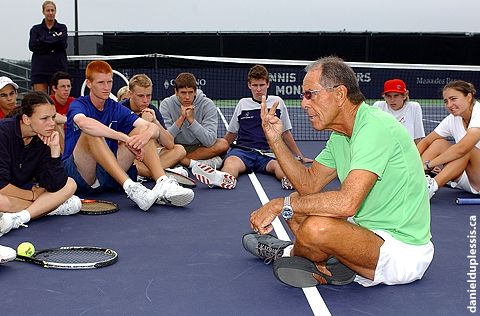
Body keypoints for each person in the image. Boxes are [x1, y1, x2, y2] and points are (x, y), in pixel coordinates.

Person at [242, 56, 433, 288]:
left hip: (401, 251)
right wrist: (275, 140)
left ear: (340, 94)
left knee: (316, 227)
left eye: (310, 94)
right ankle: (330, 261)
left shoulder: (375, 127)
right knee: (298, 204)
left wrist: (278, 205)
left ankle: (291, 253)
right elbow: (308, 185)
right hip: (364, 230)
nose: (303, 103)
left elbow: (347, 203)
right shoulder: (341, 136)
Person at [63, 61, 194, 211]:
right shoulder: (79, 104)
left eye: (109, 82)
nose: (106, 87)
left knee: (143, 132)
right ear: (89, 83)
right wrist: (123, 137)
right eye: (101, 82)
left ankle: (162, 182)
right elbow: (85, 124)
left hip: (108, 173)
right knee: (91, 134)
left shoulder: (115, 107)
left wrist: (145, 135)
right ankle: (132, 188)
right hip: (80, 174)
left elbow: (151, 128)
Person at [191, 64, 309, 190]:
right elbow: (231, 134)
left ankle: (289, 180)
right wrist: (221, 155)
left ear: (268, 84)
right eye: (255, 85)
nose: (258, 89)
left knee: (281, 166)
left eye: (261, 85)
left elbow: (285, 133)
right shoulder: (242, 104)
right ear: (249, 85)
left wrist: (299, 155)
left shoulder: (278, 102)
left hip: (269, 153)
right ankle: (224, 178)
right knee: (231, 163)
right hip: (243, 152)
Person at [0, 92, 81, 237]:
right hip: (9, 191)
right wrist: (32, 195)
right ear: (26, 119)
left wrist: (55, 152)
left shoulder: (44, 137)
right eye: (45, 118)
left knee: (70, 184)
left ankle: (19, 218)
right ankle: (52, 208)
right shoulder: (3, 133)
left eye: (53, 117)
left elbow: (54, 185)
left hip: (19, 193)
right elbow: (1, 184)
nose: (52, 123)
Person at [417, 80, 480, 199]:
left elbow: (462, 148)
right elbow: (426, 141)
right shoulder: (452, 119)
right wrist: (412, 164)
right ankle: (413, 180)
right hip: (466, 177)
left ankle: (430, 188)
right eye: (446, 101)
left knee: (468, 148)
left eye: (453, 99)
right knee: (438, 143)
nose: (449, 105)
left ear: (469, 97)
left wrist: (428, 165)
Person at [120, 74, 187, 178]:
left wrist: (155, 121)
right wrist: (144, 123)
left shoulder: (152, 109)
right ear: (130, 94)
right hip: (130, 154)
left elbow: (169, 144)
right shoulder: (120, 109)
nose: (146, 100)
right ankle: (159, 173)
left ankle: (149, 173)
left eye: (149, 95)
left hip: (150, 156)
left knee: (180, 150)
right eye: (141, 96)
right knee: (147, 138)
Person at [159, 72, 229, 170]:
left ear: (195, 91)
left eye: (190, 92)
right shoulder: (166, 104)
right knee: (156, 145)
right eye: (183, 92)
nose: (187, 97)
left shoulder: (208, 104)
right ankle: (196, 164)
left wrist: (192, 121)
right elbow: (165, 140)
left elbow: (209, 141)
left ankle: (180, 162)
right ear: (176, 92)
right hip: (175, 147)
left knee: (223, 144)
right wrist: (181, 118)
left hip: (199, 147)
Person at [29, 1, 68, 93]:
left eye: (52, 10)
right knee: (40, 101)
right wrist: (54, 39)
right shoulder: (35, 29)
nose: (50, 13)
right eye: (48, 10)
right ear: (43, 12)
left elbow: (63, 44)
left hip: (58, 69)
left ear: (55, 11)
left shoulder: (62, 28)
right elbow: (33, 46)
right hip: (40, 70)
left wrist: (42, 40)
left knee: (55, 101)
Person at [373, 79, 425, 144]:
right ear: (384, 97)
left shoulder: (414, 107)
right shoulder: (379, 106)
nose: (392, 100)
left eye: (396, 96)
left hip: (406, 151)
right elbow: (373, 134)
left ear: (405, 95)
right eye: (389, 96)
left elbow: (418, 137)